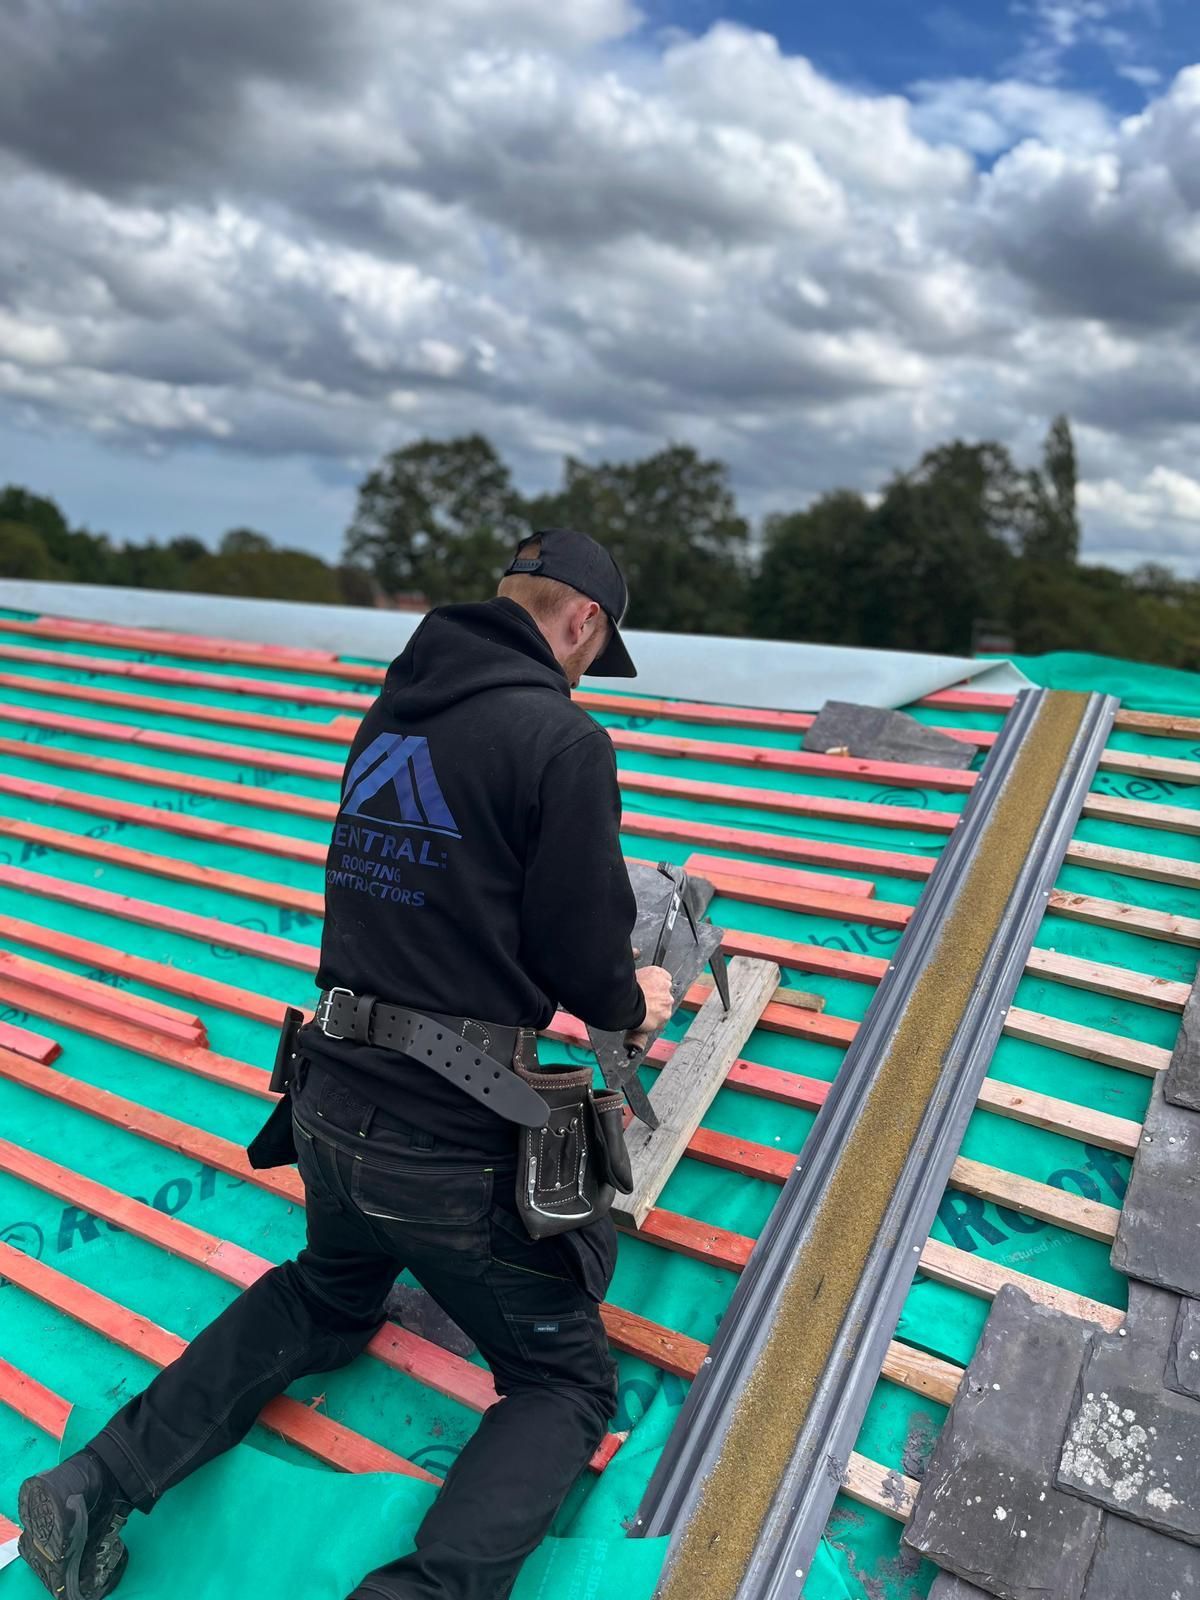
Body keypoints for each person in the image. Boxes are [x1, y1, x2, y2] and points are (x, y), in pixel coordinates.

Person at [17, 529, 674, 1600]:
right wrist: (631, 996)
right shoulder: (562, 739)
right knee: (563, 1381)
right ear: (583, 621)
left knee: (327, 1293)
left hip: (328, 1104)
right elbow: (580, 955)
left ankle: (96, 1481)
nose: (588, 671)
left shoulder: (394, 713)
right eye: (595, 653)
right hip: (448, 1149)